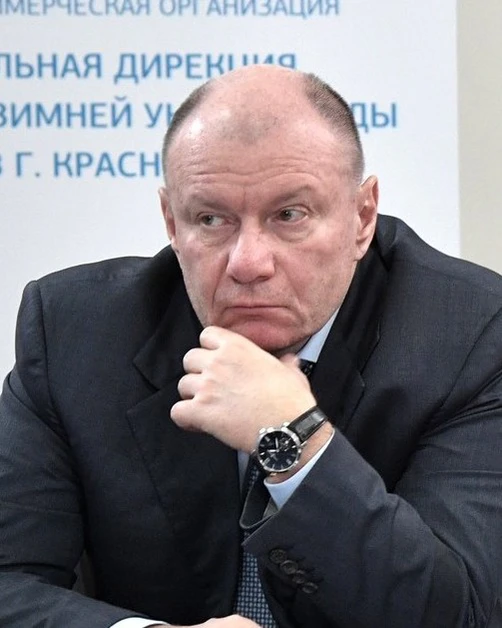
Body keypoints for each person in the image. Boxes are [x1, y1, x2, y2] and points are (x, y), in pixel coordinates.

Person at [1, 64, 502, 628]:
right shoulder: (74, 332)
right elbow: (9, 582)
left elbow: (460, 614)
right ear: (171, 222)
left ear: (362, 217)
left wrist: (294, 437)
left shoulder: (472, 335)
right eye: (211, 219)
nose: (248, 263)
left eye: (289, 215)